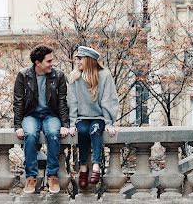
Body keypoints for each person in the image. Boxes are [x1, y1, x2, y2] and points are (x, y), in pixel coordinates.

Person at [13, 44, 70, 195]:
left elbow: (62, 101)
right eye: (49, 61)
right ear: (38, 63)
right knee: (30, 135)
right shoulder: (23, 75)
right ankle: (31, 177)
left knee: (53, 134)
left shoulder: (58, 76)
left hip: (51, 114)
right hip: (31, 115)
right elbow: (18, 101)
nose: (52, 64)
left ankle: (52, 175)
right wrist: (18, 125)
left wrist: (65, 124)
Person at [68, 45, 119, 188]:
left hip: (99, 117)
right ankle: (83, 167)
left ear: (89, 60)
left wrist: (109, 122)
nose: (77, 61)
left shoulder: (104, 75)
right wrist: (72, 124)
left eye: (80, 59)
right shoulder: (75, 76)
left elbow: (108, 99)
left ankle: (96, 165)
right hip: (81, 117)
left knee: (95, 130)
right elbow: (72, 102)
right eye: (76, 58)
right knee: (83, 131)